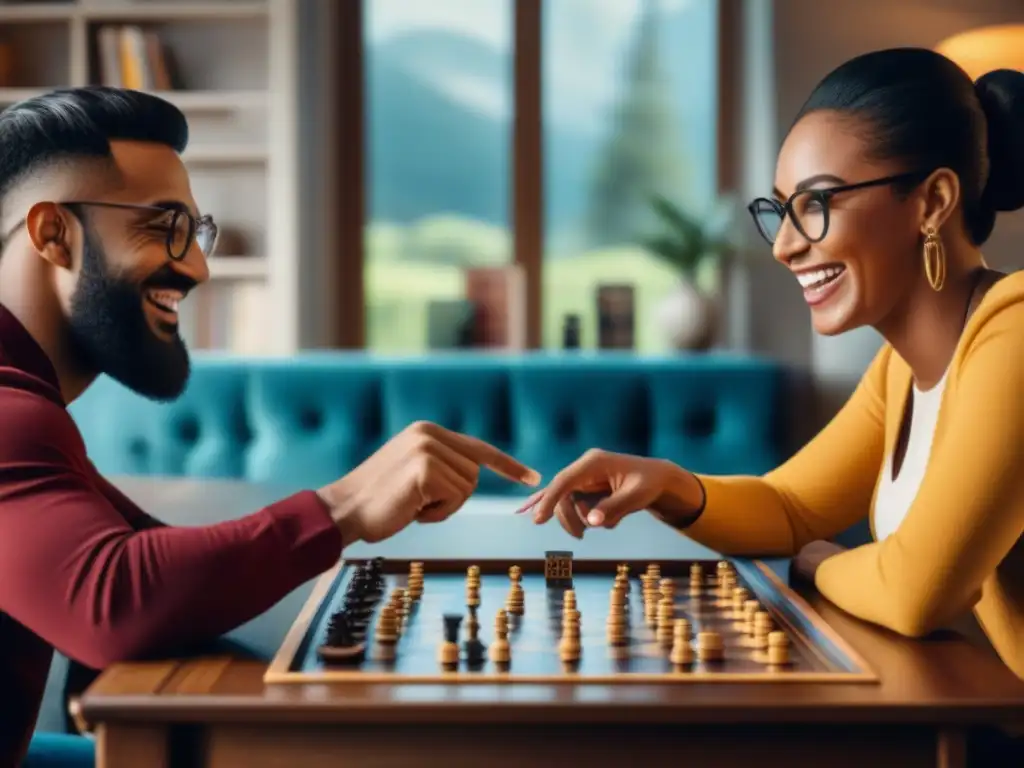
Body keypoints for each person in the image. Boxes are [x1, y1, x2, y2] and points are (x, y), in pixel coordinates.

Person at [0, 87, 540, 767]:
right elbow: (113, 602)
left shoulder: (28, 409)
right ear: (54, 235)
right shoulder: (10, 415)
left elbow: (151, 563)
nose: (196, 266)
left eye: (196, 233)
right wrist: (343, 506)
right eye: (162, 226)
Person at [522, 48, 1024, 760]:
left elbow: (917, 591)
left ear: (933, 202)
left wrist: (820, 565)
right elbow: (789, 509)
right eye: (781, 211)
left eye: (817, 205)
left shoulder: (1015, 336)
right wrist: (673, 485)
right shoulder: (898, 371)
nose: (786, 246)